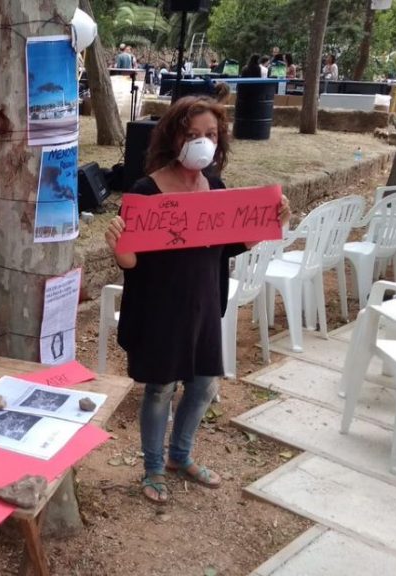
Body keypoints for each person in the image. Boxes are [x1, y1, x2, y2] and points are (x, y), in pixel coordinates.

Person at [103, 96, 290, 504]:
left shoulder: (216, 187)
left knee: (204, 385)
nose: (202, 142)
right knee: (160, 389)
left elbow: (230, 247)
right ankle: (153, 468)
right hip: (160, 311)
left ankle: (180, 455)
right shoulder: (146, 190)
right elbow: (130, 263)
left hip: (204, 305)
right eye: (193, 135)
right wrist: (117, 243)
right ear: (174, 138)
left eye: (210, 134)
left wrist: (270, 221)